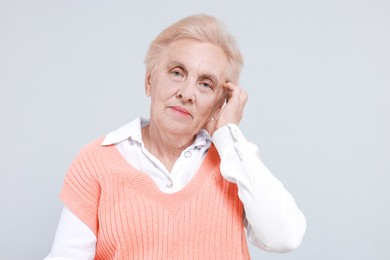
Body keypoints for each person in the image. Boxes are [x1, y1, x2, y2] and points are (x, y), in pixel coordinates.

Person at [44, 14, 306, 260]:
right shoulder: (97, 161)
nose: (187, 93)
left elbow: (285, 237)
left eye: (206, 84)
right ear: (149, 81)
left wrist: (229, 135)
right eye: (177, 72)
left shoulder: (233, 164)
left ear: (219, 104)